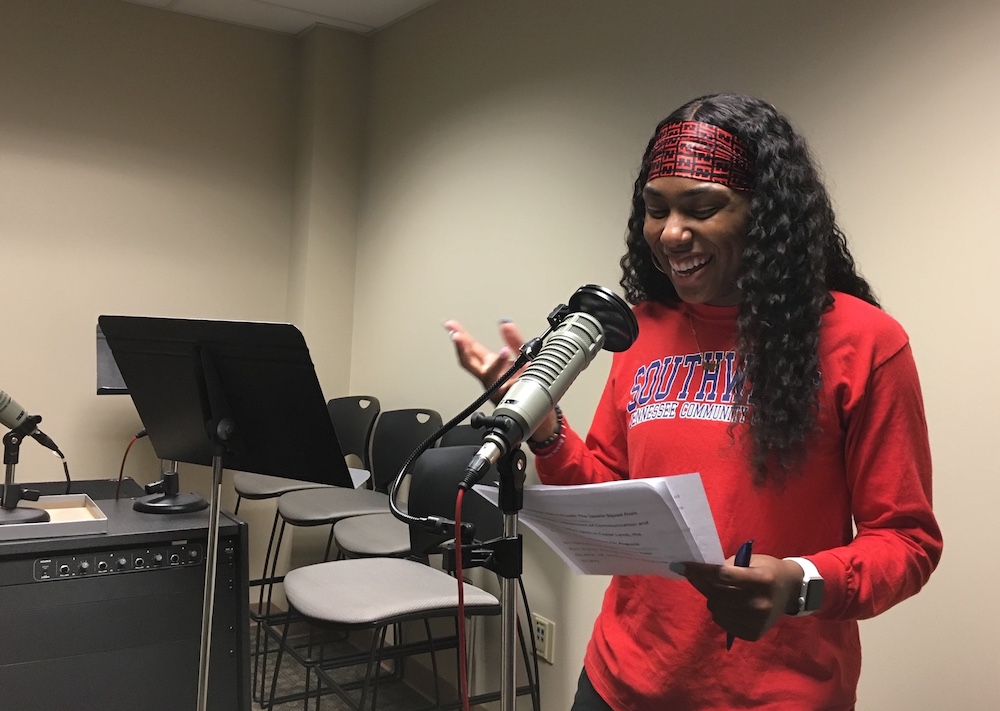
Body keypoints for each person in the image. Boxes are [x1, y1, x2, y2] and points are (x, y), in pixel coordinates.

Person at [444, 92, 943, 710]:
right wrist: (546, 428)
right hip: (617, 680)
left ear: (768, 216)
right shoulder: (641, 329)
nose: (672, 233)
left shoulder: (865, 342)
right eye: (655, 210)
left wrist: (798, 583)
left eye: (702, 208)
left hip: (776, 697)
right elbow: (606, 489)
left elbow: (906, 541)